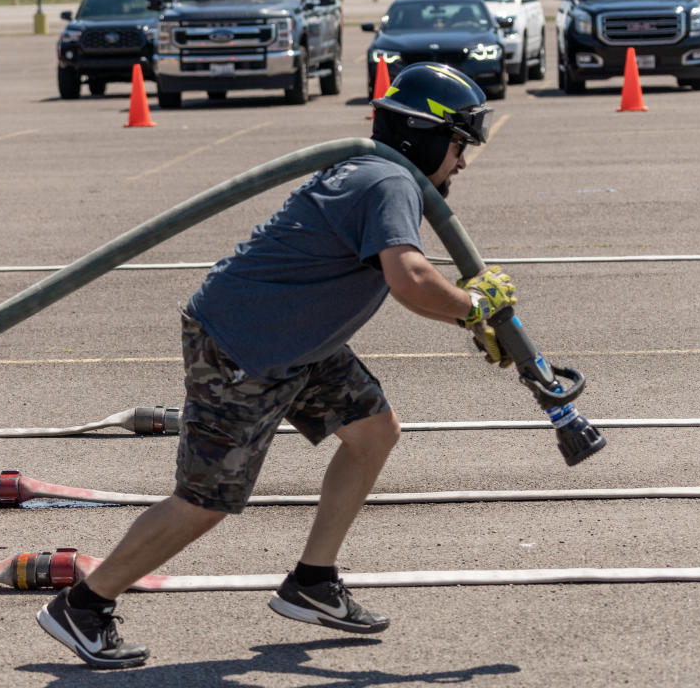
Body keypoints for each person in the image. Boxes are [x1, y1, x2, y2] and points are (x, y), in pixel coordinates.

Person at [36, 62, 515, 670]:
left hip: (298, 343)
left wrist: (465, 315)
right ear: (422, 134)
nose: (462, 163)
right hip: (246, 346)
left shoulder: (378, 173)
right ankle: (82, 604)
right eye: (457, 146)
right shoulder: (387, 181)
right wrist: (474, 309)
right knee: (205, 501)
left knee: (373, 432)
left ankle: (311, 583)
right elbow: (410, 278)